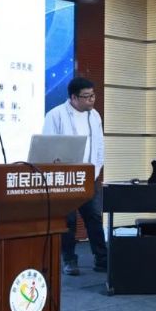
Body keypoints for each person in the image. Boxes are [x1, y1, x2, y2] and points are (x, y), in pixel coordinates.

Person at [42, 77, 108, 275]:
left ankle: (102, 259)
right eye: (86, 96)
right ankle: (69, 260)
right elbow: (47, 148)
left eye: (93, 95)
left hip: (89, 176)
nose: (91, 100)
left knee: (94, 217)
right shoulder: (55, 115)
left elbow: (99, 145)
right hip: (65, 178)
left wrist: (96, 170)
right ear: (73, 97)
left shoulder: (94, 115)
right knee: (68, 221)